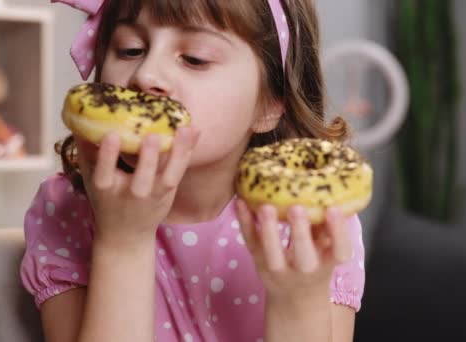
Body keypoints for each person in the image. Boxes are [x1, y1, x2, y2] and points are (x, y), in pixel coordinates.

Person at [20, 0, 365, 341]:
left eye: (194, 58)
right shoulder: (68, 209)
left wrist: (298, 302)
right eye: (130, 49)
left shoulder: (311, 224)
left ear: (269, 104)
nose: (146, 75)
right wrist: (122, 244)